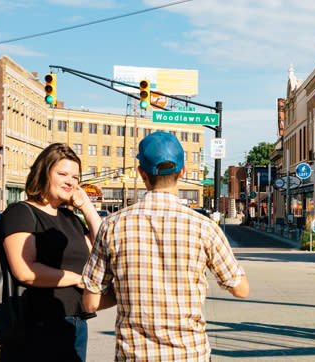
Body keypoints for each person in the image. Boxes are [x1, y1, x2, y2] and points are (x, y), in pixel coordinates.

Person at [81, 131, 249, 361]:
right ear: (182, 172)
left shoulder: (112, 225)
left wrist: (132, 290)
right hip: (190, 354)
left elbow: (90, 303)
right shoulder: (204, 227)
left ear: (142, 173)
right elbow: (241, 289)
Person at [0, 143, 104, 362]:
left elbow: (103, 248)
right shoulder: (21, 213)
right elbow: (25, 271)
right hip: (34, 325)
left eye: (75, 177)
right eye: (62, 174)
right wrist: (77, 279)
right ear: (43, 173)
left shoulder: (69, 218)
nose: (70, 182)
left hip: (74, 323)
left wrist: (87, 207)